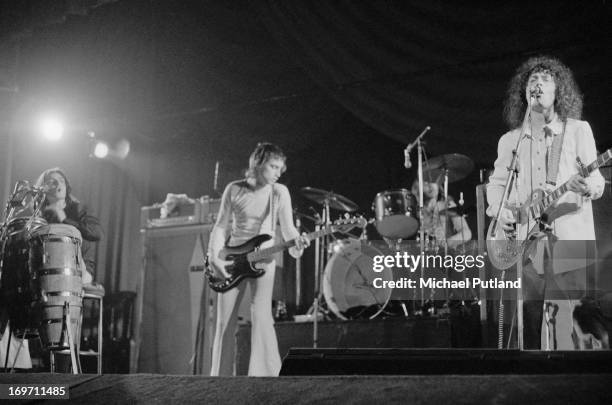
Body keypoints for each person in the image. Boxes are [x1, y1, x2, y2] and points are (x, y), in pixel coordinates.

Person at [486, 56, 605, 349]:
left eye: (546, 80)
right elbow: (497, 187)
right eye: (532, 81)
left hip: (570, 236)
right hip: (527, 242)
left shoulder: (578, 130)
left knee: (574, 322)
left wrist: (586, 186)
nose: (538, 84)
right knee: (532, 314)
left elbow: (599, 181)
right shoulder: (511, 141)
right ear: (523, 92)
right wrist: (503, 216)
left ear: (558, 91)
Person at [208, 143, 309, 376]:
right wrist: (215, 257)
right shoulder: (234, 189)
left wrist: (297, 243)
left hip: (264, 258)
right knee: (224, 323)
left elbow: (289, 229)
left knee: (262, 315)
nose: (277, 172)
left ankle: (266, 378)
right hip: (232, 258)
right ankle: (218, 381)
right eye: (273, 166)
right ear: (258, 162)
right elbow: (221, 226)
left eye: (280, 169)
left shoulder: (279, 192)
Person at [34, 167, 103, 285]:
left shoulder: (79, 209)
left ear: (66, 186)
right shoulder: (40, 217)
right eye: (52, 182)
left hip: (80, 269)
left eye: (61, 180)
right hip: (47, 269)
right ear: (43, 189)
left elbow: (97, 233)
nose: (58, 183)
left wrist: (64, 219)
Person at [411, 179, 472, 250]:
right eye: (425, 183)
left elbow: (467, 233)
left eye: (433, 182)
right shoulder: (417, 211)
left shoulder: (447, 204)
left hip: (447, 255)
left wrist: (447, 243)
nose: (430, 186)